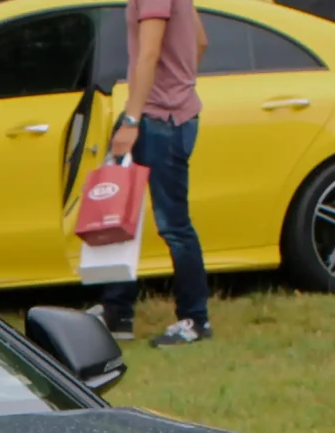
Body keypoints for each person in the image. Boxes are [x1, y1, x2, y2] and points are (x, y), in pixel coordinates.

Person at [97, 0, 209, 347]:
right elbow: (200, 42)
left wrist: (131, 119)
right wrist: (179, 84)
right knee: (120, 214)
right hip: (161, 114)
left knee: (173, 225)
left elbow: (148, 54)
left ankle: (195, 320)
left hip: (159, 120)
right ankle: (116, 311)